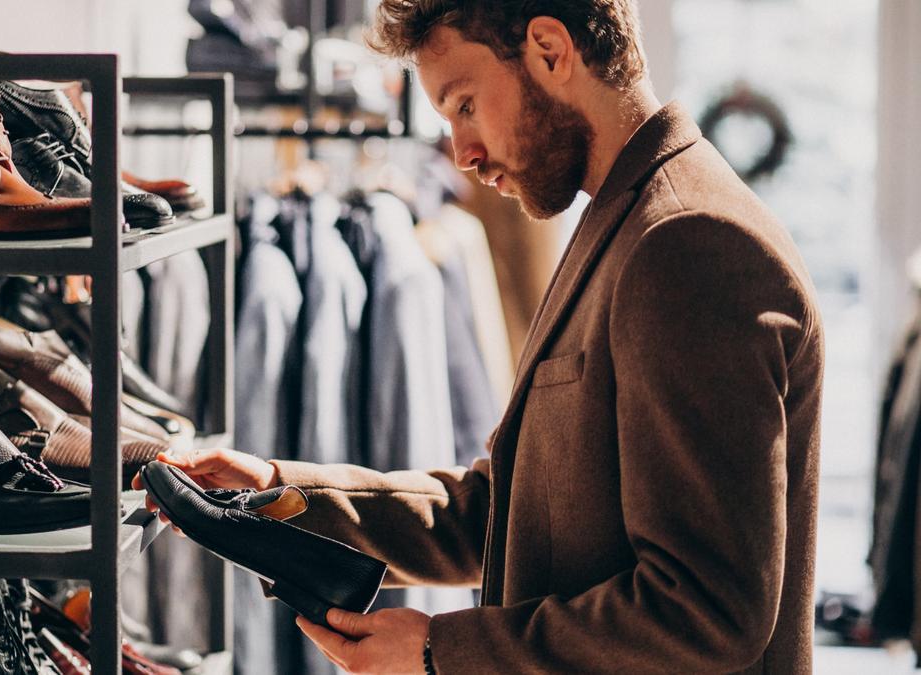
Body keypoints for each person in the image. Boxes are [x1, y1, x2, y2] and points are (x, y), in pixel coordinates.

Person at [137, 1, 825, 672]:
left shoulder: (687, 242)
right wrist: (285, 492)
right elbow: (507, 511)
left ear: (549, 50)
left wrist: (442, 650)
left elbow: (707, 611)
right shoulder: (628, 223)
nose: (461, 153)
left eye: (464, 104)